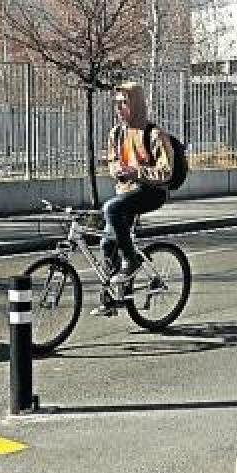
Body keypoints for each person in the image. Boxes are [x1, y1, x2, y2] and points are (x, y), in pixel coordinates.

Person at [93, 81, 174, 315]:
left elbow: (166, 172)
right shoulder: (117, 133)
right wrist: (116, 169)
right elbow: (112, 160)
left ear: (136, 104)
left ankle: (132, 260)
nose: (119, 109)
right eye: (117, 104)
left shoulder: (154, 134)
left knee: (111, 208)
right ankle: (111, 300)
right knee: (107, 243)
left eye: (124, 103)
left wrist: (136, 172)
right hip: (126, 192)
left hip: (152, 192)